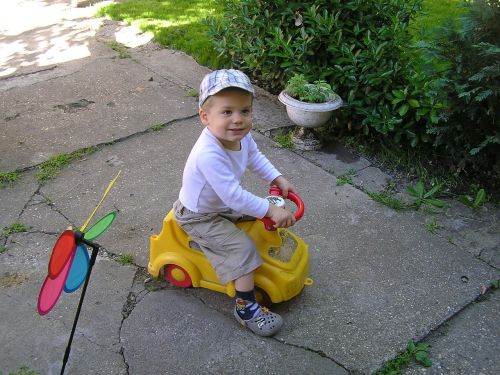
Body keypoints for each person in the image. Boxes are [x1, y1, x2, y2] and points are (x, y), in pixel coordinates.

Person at [173, 69, 297, 336]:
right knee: (242, 249)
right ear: (205, 117)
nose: (238, 120)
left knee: (263, 213)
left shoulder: (240, 136)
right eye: (227, 112)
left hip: (220, 205)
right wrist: (270, 209)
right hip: (199, 215)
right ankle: (246, 307)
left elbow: (255, 158)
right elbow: (233, 196)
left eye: (245, 111)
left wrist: (277, 177)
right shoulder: (208, 154)